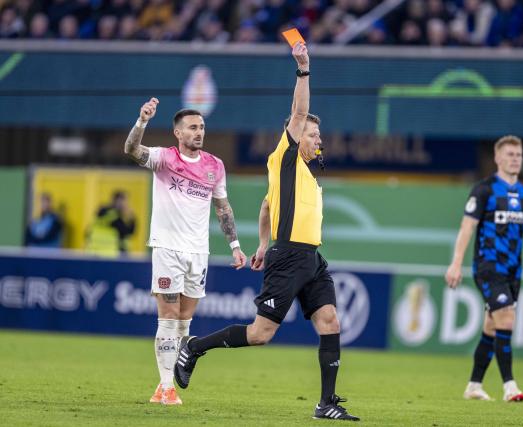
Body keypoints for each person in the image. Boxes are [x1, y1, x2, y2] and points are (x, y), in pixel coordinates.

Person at [173, 42, 359, 421]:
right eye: (312, 135)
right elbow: (299, 111)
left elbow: (265, 206)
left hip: (310, 258)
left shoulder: (303, 174)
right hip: (290, 256)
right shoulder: (285, 157)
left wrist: (261, 243)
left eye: (318, 137)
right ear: (295, 136)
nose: (318, 140)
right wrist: (304, 69)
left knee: (330, 321)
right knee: (260, 335)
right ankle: (194, 347)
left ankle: (326, 403)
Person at [124, 98, 247, 405]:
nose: (199, 132)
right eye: (192, 127)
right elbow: (131, 150)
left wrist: (235, 246)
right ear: (177, 132)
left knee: (183, 321)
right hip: (167, 248)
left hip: (198, 253)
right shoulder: (164, 158)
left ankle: (162, 386)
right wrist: (142, 122)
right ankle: (167, 388)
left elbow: (223, 208)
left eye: (202, 127)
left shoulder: (214, 166)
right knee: (167, 317)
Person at [445, 135, 523, 402]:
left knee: (492, 327)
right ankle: (509, 385)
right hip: (488, 266)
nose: (515, 159)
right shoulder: (484, 189)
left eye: (519, 154)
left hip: (514, 270)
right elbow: (467, 228)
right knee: (507, 317)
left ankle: (474, 385)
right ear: (498, 158)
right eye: (510, 154)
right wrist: (456, 263)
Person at [87, 190, 136, 256]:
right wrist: (131, 218)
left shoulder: (101, 212)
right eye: (125, 201)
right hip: (110, 254)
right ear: (119, 201)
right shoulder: (114, 216)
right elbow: (128, 232)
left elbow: (87, 233)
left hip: (94, 252)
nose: (126, 204)